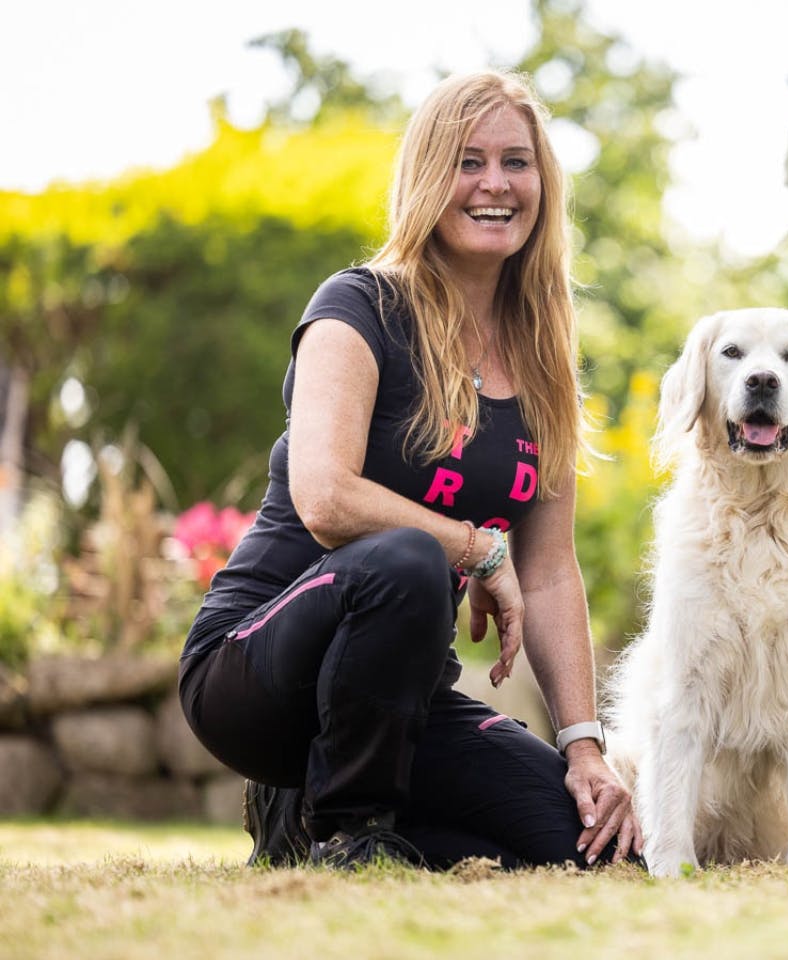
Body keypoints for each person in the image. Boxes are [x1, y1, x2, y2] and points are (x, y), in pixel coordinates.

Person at [178, 70, 641, 870]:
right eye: (468, 161)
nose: (495, 184)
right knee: (407, 555)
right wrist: (473, 546)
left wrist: (584, 749)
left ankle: (313, 821)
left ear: (543, 183)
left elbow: (552, 571)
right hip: (253, 671)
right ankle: (344, 829)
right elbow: (324, 497)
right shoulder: (357, 308)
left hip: (400, 703)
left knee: (589, 851)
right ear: (429, 176)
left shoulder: (543, 364)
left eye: (515, 162)